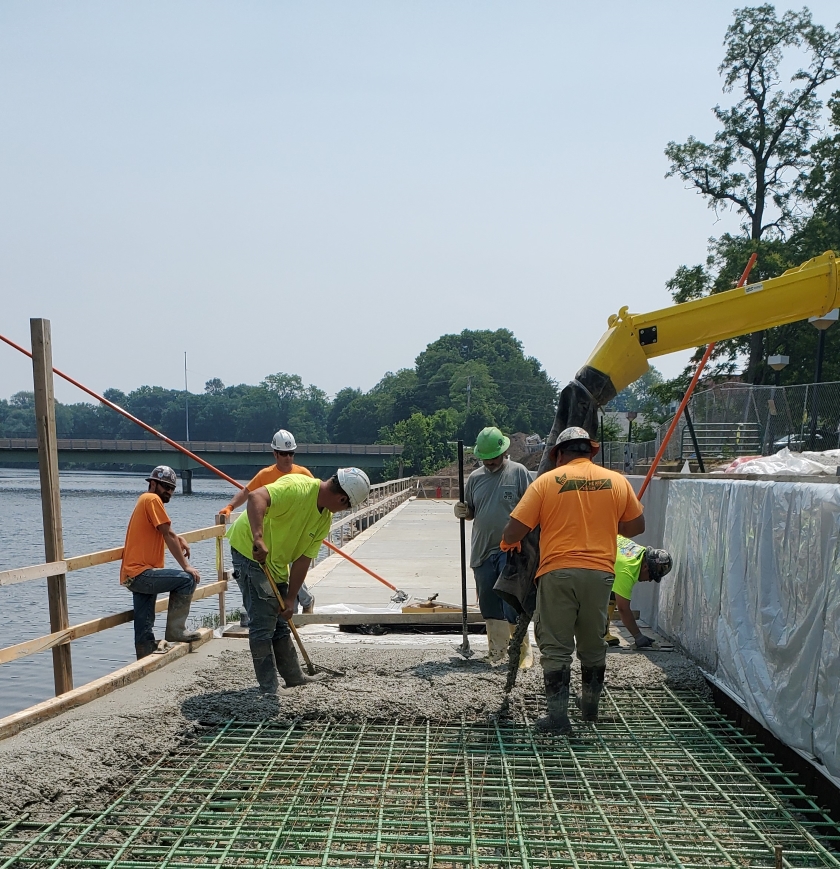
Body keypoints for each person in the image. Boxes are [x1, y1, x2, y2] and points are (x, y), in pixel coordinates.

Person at [501, 426, 645, 733]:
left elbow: (513, 532)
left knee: (556, 646)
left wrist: (510, 543)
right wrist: (603, 522)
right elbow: (636, 526)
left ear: (559, 455)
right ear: (591, 452)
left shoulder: (546, 483)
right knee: (593, 643)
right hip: (601, 573)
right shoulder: (617, 481)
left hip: (557, 572)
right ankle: (590, 711)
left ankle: (558, 718)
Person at [226, 467, 370, 694]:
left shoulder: (324, 519)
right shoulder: (297, 487)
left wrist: (292, 598)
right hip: (250, 552)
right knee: (263, 622)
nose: (344, 510)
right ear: (343, 499)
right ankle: (269, 687)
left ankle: (294, 677)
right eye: (348, 507)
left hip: (276, 562)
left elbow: (303, 560)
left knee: (282, 621)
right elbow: (256, 497)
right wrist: (258, 538)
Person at [453, 426, 533, 667]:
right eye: (485, 459)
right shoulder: (476, 478)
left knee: (512, 601)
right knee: (488, 600)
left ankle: (521, 652)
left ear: (504, 452)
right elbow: (472, 512)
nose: (489, 463)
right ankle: (496, 650)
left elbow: (532, 508)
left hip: (512, 549)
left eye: (493, 458)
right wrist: (464, 512)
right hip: (483, 549)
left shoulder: (518, 473)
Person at [218, 429, 317, 620]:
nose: (288, 458)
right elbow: (248, 493)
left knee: (292, 567)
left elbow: (315, 498)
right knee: (276, 569)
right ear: (275, 454)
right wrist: (230, 506)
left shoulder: (303, 474)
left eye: (291, 454)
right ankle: (280, 609)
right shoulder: (266, 475)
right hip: (271, 532)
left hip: (293, 529)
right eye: (283, 454)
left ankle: (303, 601)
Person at [120, 465, 202, 660]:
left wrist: (177, 536)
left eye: (172, 488)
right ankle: (176, 631)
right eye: (165, 486)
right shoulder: (152, 499)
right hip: (142, 573)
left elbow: (165, 529)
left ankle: (144, 651)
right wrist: (186, 567)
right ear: (153, 484)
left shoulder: (145, 500)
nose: (169, 491)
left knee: (144, 620)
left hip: (133, 574)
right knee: (186, 580)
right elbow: (166, 533)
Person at [607, 536, 672, 648]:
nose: (650, 580)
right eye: (651, 575)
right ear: (646, 567)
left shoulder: (641, 552)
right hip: (584, 557)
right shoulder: (627, 571)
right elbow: (623, 608)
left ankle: (601, 633)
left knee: (612, 590)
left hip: (595, 544)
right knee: (598, 592)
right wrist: (638, 637)